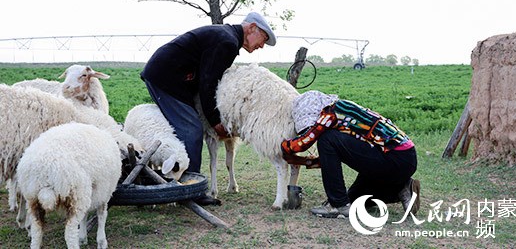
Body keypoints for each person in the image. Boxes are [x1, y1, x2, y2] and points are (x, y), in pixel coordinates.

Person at [141, 12, 276, 205]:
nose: (262, 45)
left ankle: (178, 183)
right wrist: (215, 121)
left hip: (170, 76)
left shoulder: (227, 37)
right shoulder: (227, 42)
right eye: (263, 39)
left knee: (185, 129)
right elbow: (208, 83)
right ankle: (191, 190)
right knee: (191, 129)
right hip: (165, 78)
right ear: (252, 28)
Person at [281, 90, 420, 218]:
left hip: (394, 158)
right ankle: (402, 187)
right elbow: (330, 160)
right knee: (355, 200)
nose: (312, 128)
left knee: (326, 139)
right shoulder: (343, 112)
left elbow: (302, 143)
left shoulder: (331, 113)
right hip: (400, 158)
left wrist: (283, 148)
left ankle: (337, 205)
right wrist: (302, 161)